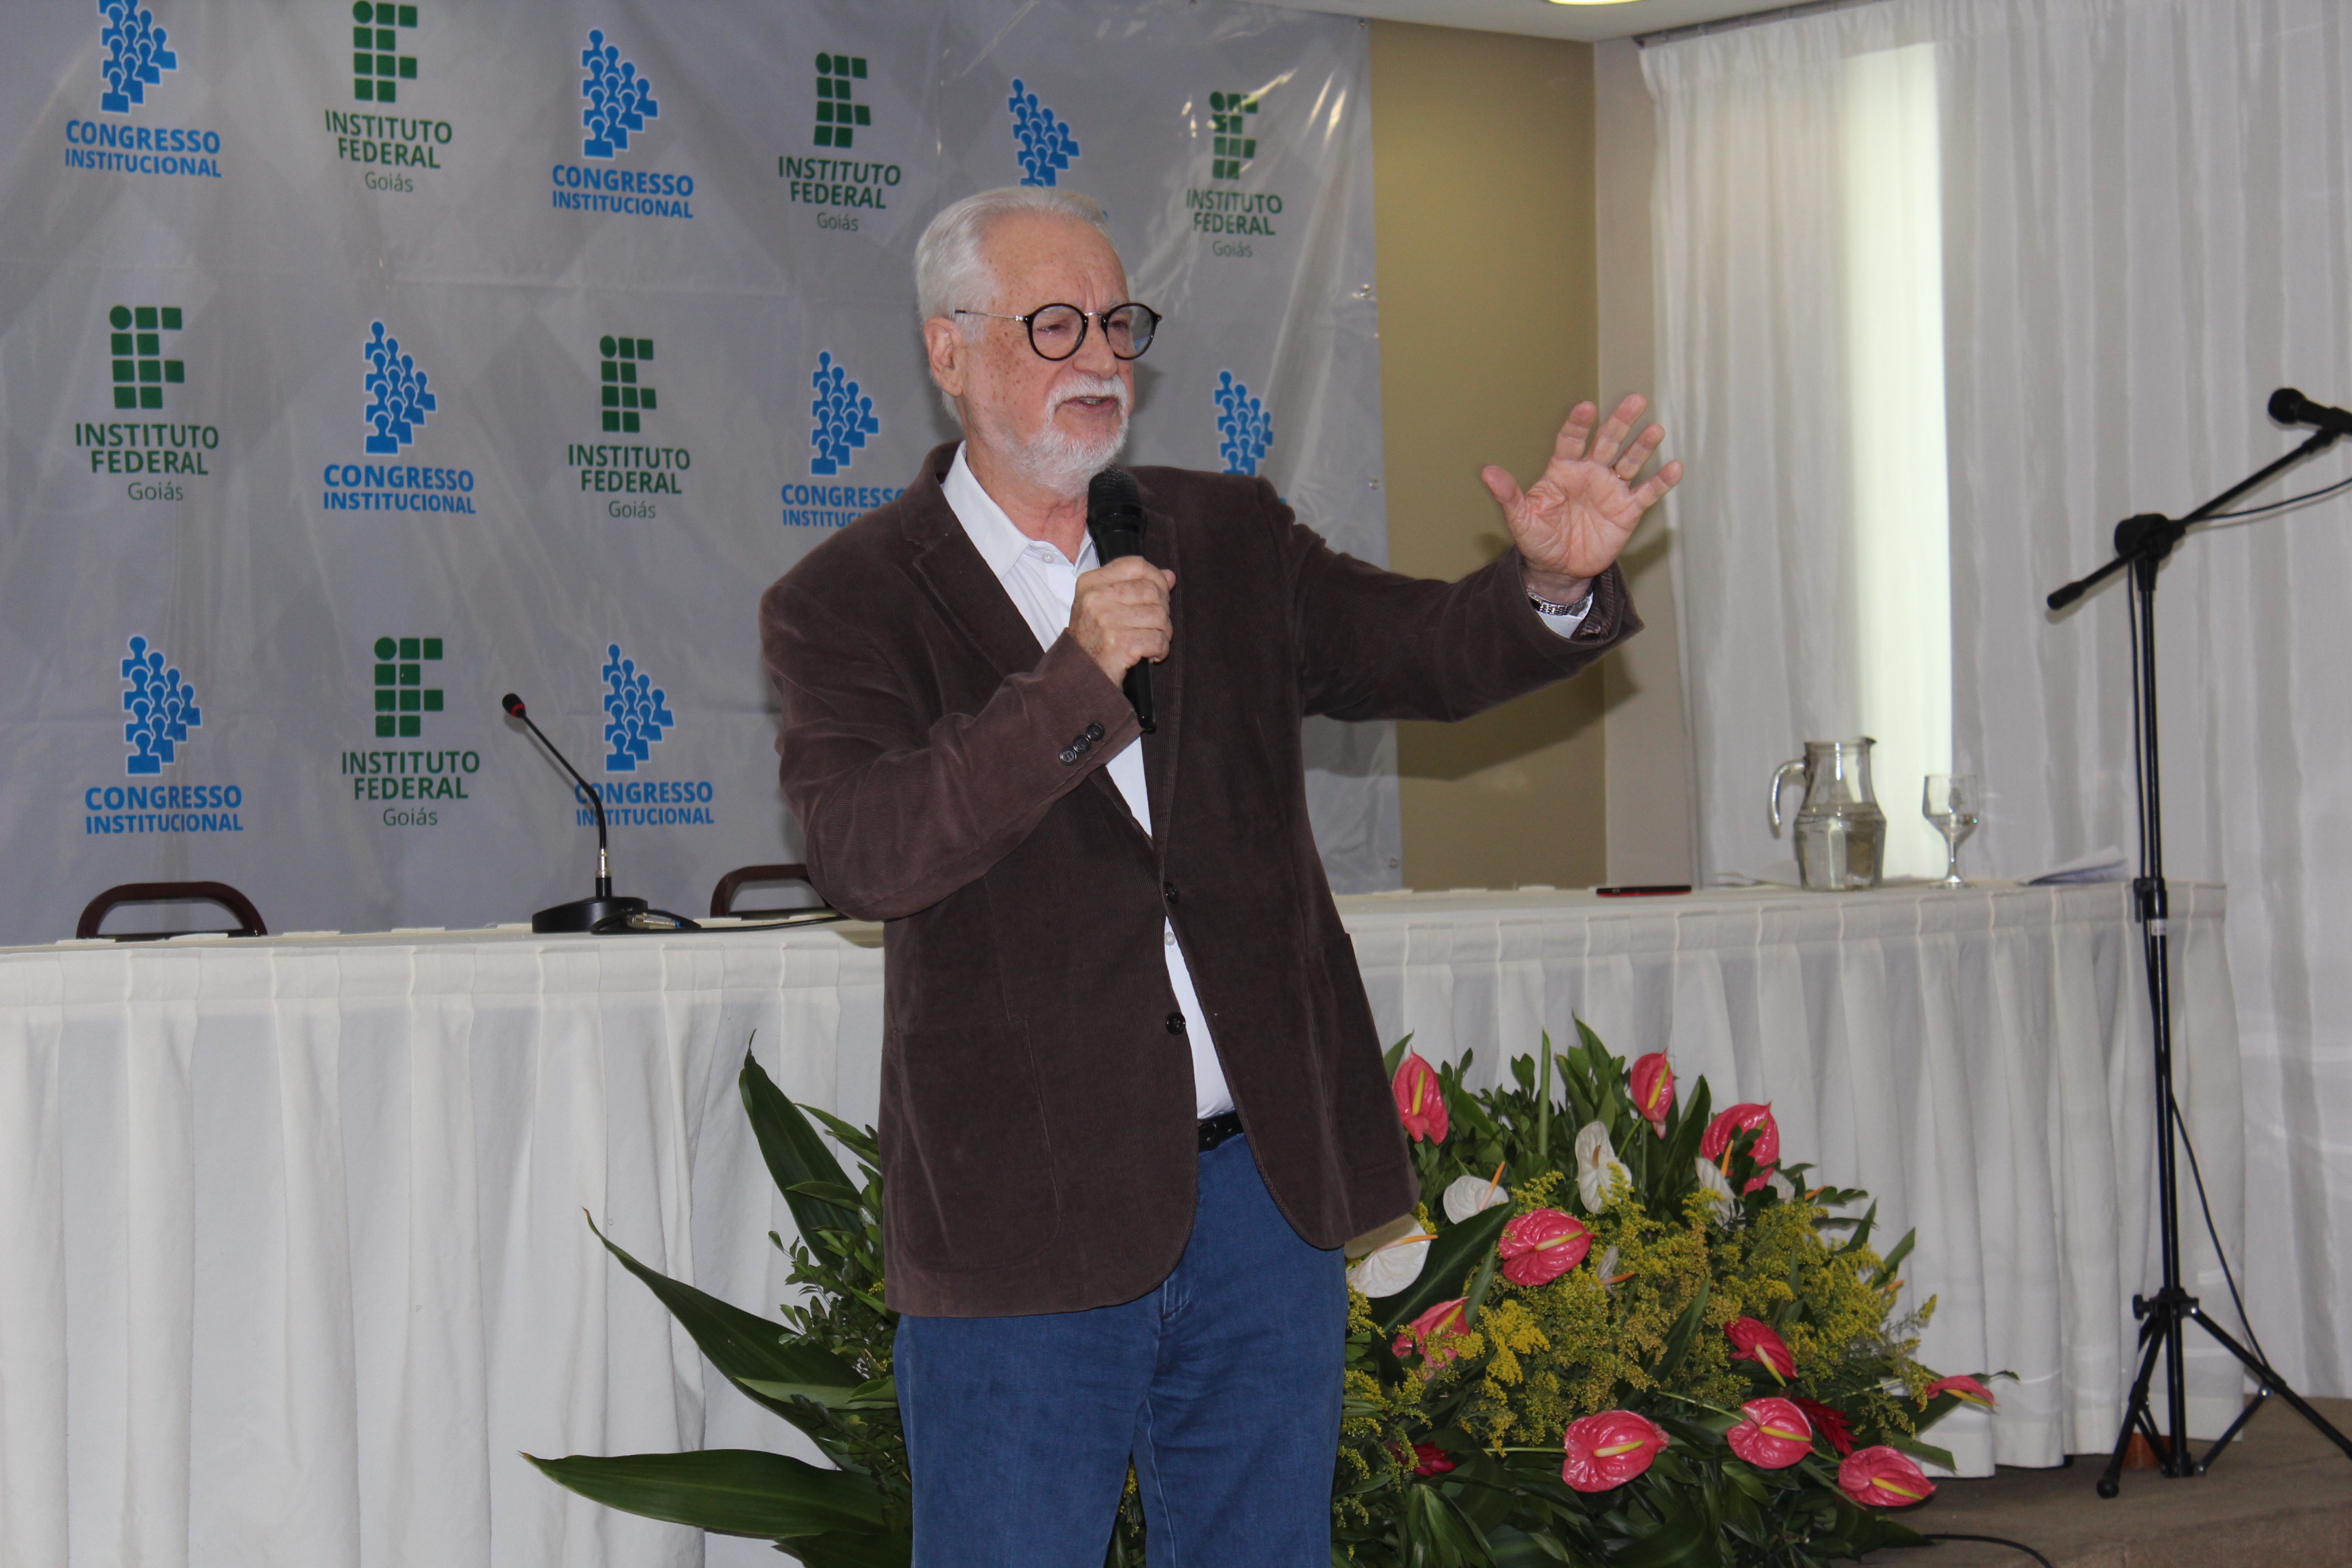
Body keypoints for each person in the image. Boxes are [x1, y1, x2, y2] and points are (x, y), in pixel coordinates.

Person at [758, 185, 1680, 1567]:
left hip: (1258, 1199)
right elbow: (867, 852)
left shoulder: (1219, 535)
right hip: (1026, 1222)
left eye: (1117, 322)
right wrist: (1075, 683)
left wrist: (1546, 586)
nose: (1099, 358)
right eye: (1052, 324)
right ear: (949, 352)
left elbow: (1418, 650)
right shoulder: (850, 600)